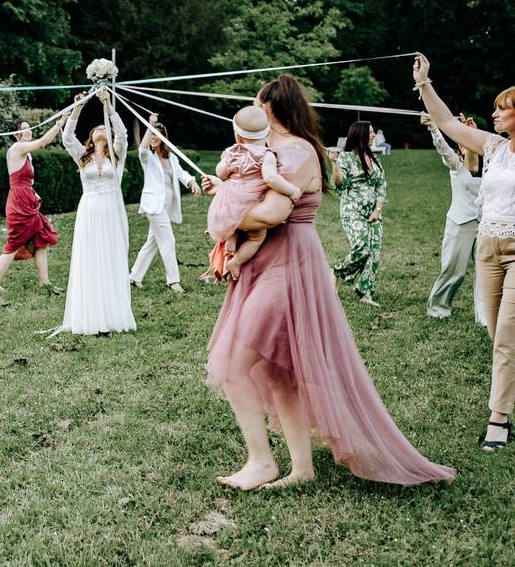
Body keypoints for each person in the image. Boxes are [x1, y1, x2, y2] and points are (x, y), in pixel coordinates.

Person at [204, 73, 454, 489]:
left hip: (289, 265)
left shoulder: (298, 151)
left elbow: (271, 215)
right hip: (265, 261)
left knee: (233, 365)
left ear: (269, 107)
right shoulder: (267, 150)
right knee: (276, 367)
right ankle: (302, 469)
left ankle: (262, 462)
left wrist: (222, 213)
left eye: (256, 103)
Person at [413, 53, 515, 451]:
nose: (494, 116)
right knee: (497, 335)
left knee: (506, 336)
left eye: (502, 110)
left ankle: (498, 420)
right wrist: (425, 83)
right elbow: (447, 123)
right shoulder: (492, 148)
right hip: (488, 249)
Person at [52, 88, 135, 336]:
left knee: (109, 257)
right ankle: (90, 315)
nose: (100, 129)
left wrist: (108, 106)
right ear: (90, 136)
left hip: (110, 209)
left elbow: (122, 132)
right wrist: (78, 108)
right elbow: (67, 137)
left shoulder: (117, 156)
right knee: (90, 258)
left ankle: (111, 314)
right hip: (89, 210)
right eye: (96, 128)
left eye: (104, 128)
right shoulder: (82, 157)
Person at [200, 105, 302, 282]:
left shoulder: (232, 152)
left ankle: (231, 237)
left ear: (237, 136)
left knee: (233, 217)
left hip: (230, 198)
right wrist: (292, 191)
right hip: (251, 199)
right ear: (266, 134)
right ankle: (236, 261)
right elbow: (271, 178)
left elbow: (220, 173)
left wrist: (229, 167)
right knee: (256, 237)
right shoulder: (266, 155)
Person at [0, 118, 64, 292]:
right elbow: (44, 142)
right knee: (13, 244)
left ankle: (45, 283)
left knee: (41, 240)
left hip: (27, 200)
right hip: (19, 204)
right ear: (16, 135)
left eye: (30, 128)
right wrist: (59, 124)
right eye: (25, 129)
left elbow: (26, 180)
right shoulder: (18, 148)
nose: (29, 131)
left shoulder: (26, 153)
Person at [423, 113, 486, 325]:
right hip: (460, 224)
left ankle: (485, 316)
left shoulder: (490, 167)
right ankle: (438, 308)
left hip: (485, 225)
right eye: (462, 144)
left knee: (486, 272)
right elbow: (443, 148)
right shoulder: (456, 166)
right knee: (454, 270)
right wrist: (434, 127)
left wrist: (473, 131)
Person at [128, 112, 200, 293]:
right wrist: (150, 125)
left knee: (152, 242)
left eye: (156, 134)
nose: (153, 137)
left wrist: (191, 182)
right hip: (153, 205)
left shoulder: (171, 158)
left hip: (167, 205)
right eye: (151, 134)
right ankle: (173, 281)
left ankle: (134, 277)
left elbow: (181, 173)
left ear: (163, 138)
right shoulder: (148, 158)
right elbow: (142, 150)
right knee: (168, 240)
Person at [330, 121, 387, 307]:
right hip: (353, 211)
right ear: (360, 134)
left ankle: (365, 292)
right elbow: (340, 183)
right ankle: (336, 272)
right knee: (362, 247)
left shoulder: (374, 156)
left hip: (374, 213)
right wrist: (334, 163)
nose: (374, 135)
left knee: (374, 253)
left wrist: (377, 210)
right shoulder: (346, 157)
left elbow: (381, 185)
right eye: (370, 132)